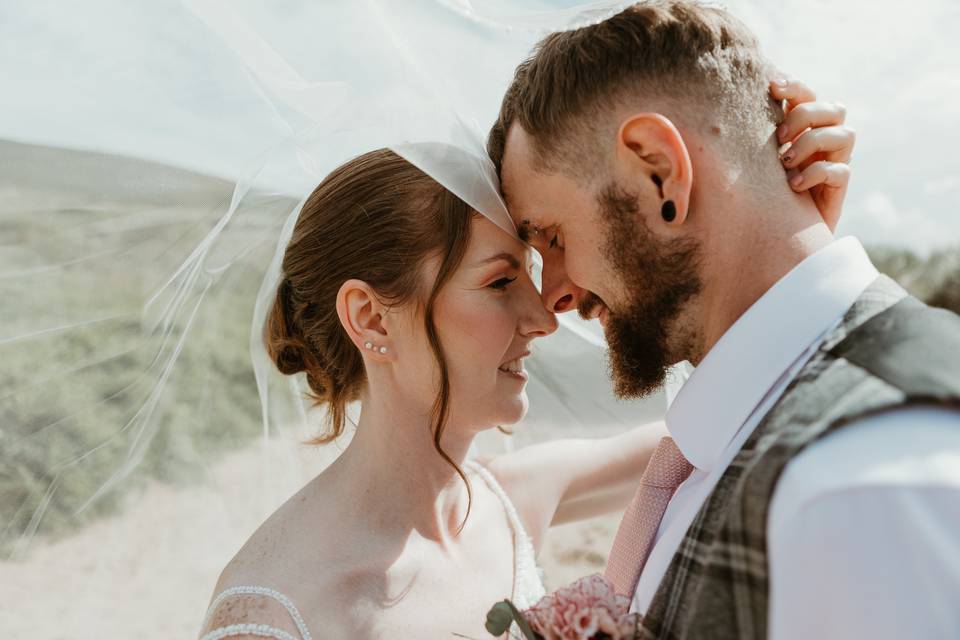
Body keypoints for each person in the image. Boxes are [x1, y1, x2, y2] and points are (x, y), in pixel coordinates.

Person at [198, 72, 855, 639]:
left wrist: (788, 241)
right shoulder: (276, 614)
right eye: (500, 282)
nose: (543, 316)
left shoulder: (511, 501)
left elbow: (734, 415)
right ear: (371, 318)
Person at [491, 2, 960, 638]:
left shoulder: (861, 488)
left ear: (659, 174)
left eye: (552, 236)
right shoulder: (748, 427)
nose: (554, 296)